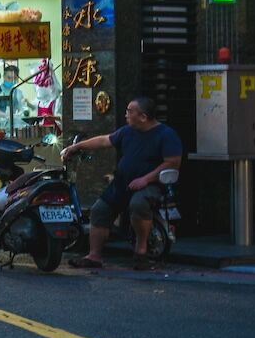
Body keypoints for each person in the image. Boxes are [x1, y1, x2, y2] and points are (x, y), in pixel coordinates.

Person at [64, 97, 184, 270]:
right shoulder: (127, 131)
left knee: (138, 204)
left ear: (142, 117)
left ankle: (141, 252)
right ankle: (94, 255)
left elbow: (172, 162)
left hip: (151, 184)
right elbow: (105, 140)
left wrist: (145, 179)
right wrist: (77, 147)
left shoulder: (166, 135)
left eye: (129, 111)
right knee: (100, 209)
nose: (126, 115)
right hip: (123, 182)